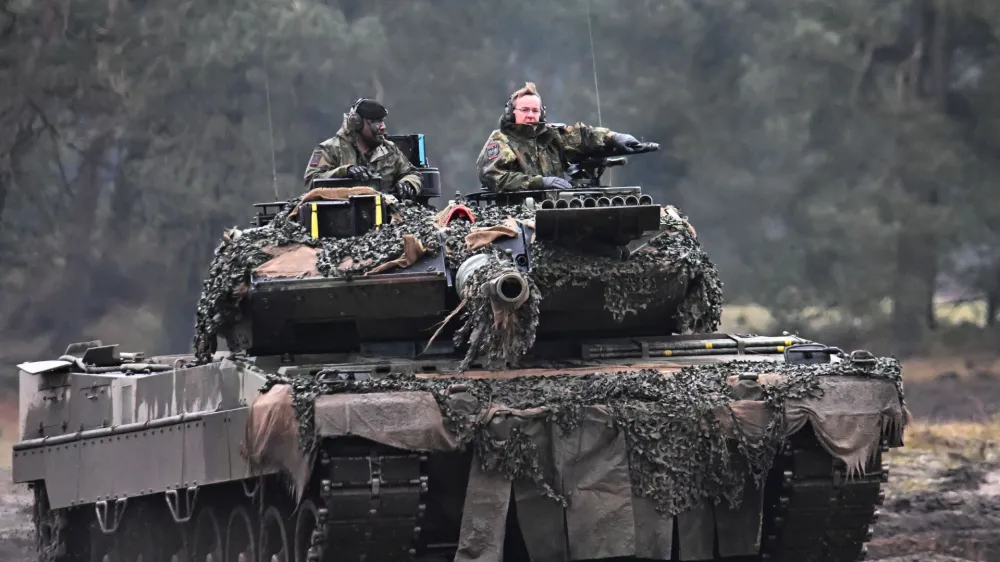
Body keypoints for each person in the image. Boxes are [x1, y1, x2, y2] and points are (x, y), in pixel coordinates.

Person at [475, 82, 657, 192]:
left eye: (535, 110)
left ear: (541, 113)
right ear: (511, 113)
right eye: (524, 110)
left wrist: (616, 138)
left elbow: (584, 138)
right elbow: (494, 176)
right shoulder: (501, 141)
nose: (530, 115)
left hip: (555, 206)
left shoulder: (550, 136)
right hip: (517, 211)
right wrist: (541, 183)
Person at [303, 98, 422, 200]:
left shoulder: (389, 150)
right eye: (375, 122)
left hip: (387, 217)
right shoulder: (330, 149)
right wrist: (345, 171)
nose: (382, 127)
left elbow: (412, 173)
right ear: (357, 123)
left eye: (382, 121)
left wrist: (408, 183)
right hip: (341, 216)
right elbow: (312, 180)